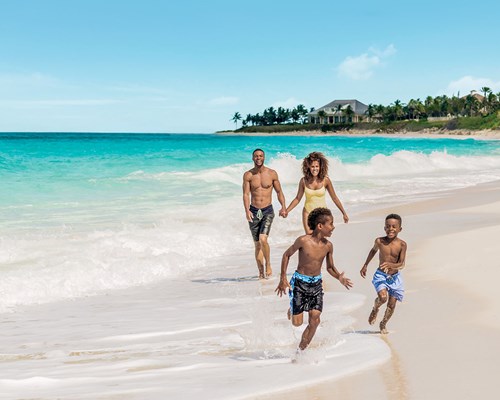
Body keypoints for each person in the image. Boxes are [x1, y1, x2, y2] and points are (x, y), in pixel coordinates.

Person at [275, 207, 353, 354]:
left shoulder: (328, 246)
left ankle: (300, 351)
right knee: (297, 323)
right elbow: (286, 255)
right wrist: (282, 279)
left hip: (316, 284)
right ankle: (292, 308)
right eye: (330, 223)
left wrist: (339, 277)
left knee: (315, 319)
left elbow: (330, 267)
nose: (333, 227)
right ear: (320, 226)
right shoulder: (303, 241)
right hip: (299, 283)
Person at [243, 148, 287, 279]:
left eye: (261, 156)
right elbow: (245, 194)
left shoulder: (272, 173)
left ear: (264, 157)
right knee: (257, 245)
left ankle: (268, 264)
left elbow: (279, 192)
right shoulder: (248, 175)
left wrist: (283, 207)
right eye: (256, 156)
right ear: (252, 158)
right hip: (254, 211)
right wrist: (247, 211)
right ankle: (261, 273)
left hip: (267, 210)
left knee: (263, 239)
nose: (258, 158)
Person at [360, 214, 407, 334]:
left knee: (391, 305)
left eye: (394, 226)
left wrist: (392, 265)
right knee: (383, 298)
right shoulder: (379, 241)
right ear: (384, 228)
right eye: (388, 226)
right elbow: (373, 250)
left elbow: (402, 263)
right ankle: (375, 308)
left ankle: (383, 323)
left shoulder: (402, 244)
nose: (391, 229)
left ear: (400, 229)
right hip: (381, 275)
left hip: (395, 278)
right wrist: (365, 265)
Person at [286, 152, 348, 234]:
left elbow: (334, 198)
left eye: (316, 166)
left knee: (320, 238)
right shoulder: (303, 181)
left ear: (320, 167)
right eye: (312, 166)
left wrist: (344, 213)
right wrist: (287, 210)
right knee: (309, 236)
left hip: (322, 214)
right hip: (308, 212)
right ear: (308, 167)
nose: (315, 169)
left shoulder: (326, 180)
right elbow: (297, 199)